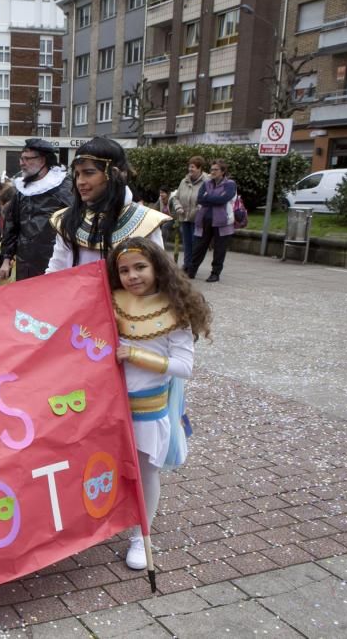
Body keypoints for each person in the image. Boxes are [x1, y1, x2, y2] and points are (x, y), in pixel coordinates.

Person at [109, 237, 211, 570]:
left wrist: (138, 355)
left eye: (140, 267)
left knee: (145, 471)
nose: (132, 276)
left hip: (149, 408)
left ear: (157, 267)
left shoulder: (175, 310)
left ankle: (142, 535)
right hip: (109, 405)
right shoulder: (112, 301)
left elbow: (185, 367)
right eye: (124, 270)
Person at [47, 137, 169, 273]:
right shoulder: (68, 219)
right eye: (77, 174)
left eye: (88, 173)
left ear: (113, 173)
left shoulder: (145, 222)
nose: (80, 181)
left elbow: (159, 276)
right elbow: (55, 271)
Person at [0, 139, 73, 281]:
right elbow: (11, 226)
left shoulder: (64, 186)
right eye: (21, 158)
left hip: (56, 264)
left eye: (27, 159)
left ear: (42, 160)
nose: (21, 163)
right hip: (25, 265)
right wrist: (6, 259)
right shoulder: (22, 190)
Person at [187, 159, 236, 283]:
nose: (212, 172)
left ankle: (215, 273)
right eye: (211, 169)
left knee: (220, 249)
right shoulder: (207, 183)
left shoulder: (230, 184)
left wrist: (208, 198)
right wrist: (214, 198)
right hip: (204, 220)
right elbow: (200, 199)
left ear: (223, 171)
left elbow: (224, 198)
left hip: (222, 222)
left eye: (216, 169)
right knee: (199, 247)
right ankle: (191, 271)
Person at [175, 156, 209, 272]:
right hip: (184, 217)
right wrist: (178, 207)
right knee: (187, 243)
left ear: (200, 168)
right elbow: (176, 197)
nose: (190, 169)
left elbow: (207, 199)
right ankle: (187, 264)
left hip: (198, 218)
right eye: (189, 166)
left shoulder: (207, 181)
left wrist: (200, 209)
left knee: (196, 243)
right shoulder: (184, 181)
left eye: (193, 167)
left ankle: (193, 266)